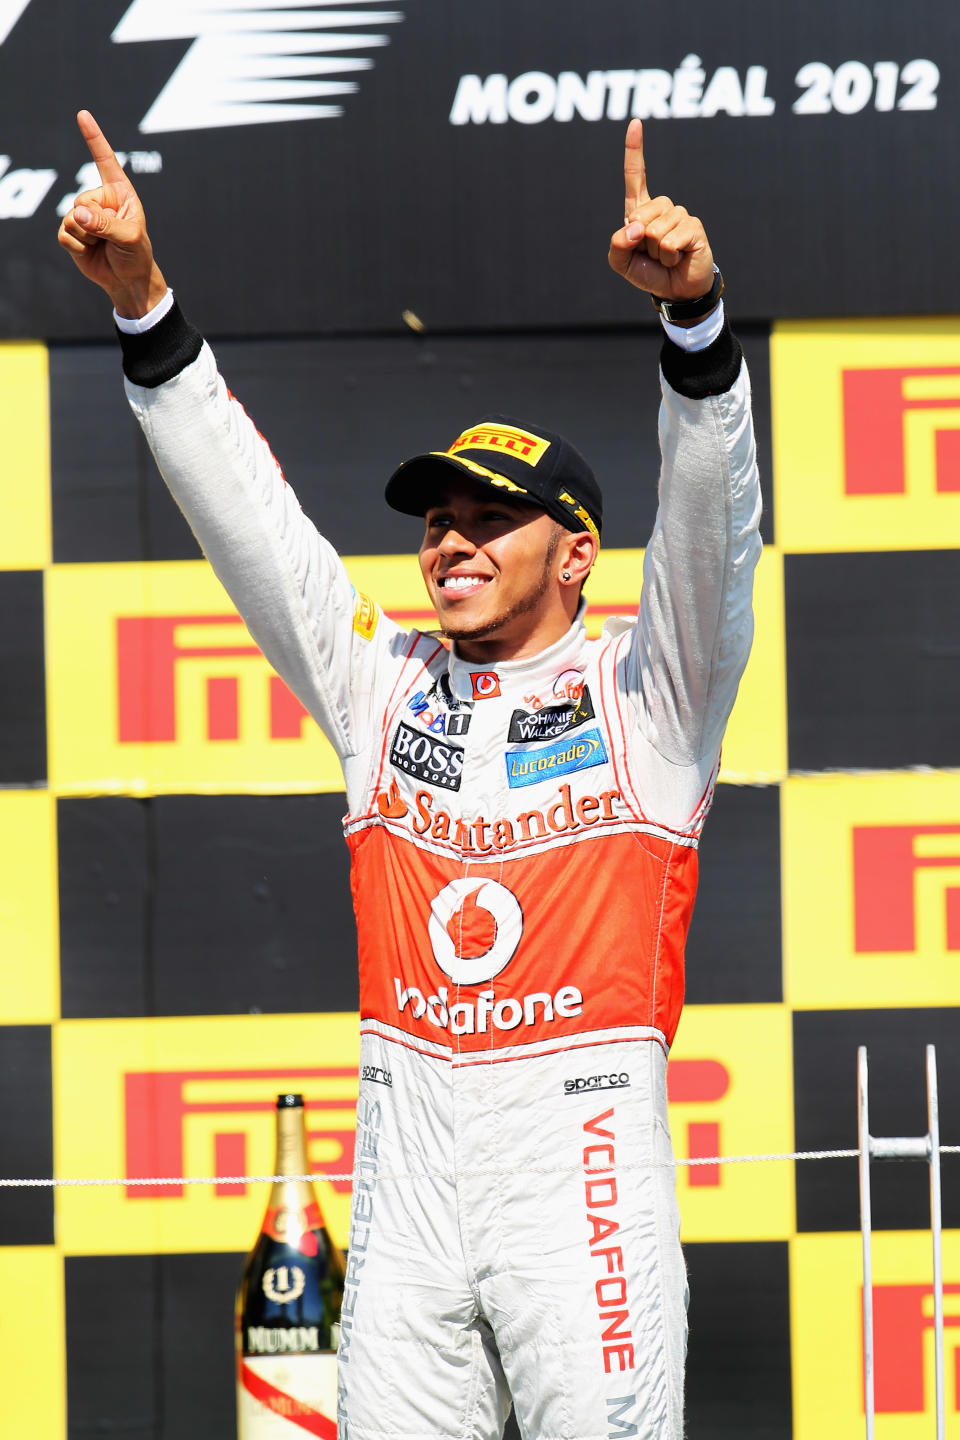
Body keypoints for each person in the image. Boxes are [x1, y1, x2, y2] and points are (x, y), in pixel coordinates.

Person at [59, 109, 761, 1440]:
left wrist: (698, 336)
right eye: (439, 518)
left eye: (492, 518)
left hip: (584, 1159)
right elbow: (254, 526)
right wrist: (147, 305)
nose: (451, 539)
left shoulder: (650, 697)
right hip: (409, 1153)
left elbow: (714, 544)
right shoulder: (383, 689)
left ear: (576, 557)